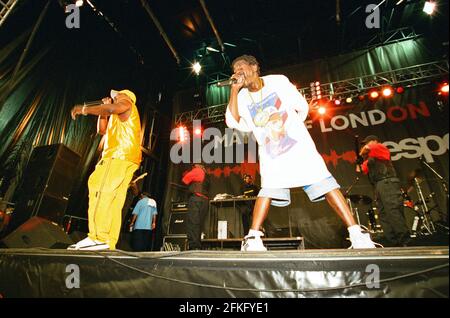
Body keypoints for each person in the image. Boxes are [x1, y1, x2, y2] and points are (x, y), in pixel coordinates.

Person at [225, 55, 378, 251]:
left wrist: (290, 129)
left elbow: (301, 106)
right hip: (272, 153)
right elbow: (232, 120)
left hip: (298, 147)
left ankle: (357, 235)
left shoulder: (278, 81)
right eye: (235, 69)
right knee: (268, 188)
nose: (238, 71)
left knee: (326, 183)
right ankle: (253, 238)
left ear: (254, 67)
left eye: (241, 67)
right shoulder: (242, 97)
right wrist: (234, 89)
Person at [68, 89, 141, 250]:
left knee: (100, 190)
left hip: (117, 156)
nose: (114, 97)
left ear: (126, 96)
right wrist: (104, 111)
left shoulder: (127, 104)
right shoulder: (120, 115)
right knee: (114, 200)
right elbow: (102, 130)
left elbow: (111, 108)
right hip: (126, 158)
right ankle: (108, 242)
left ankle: (97, 237)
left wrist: (85, 109)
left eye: (117, 95)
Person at [357, 135, 410, 246]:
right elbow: (361, 170)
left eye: (369, 142)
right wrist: (359, 161)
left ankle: (404, 240)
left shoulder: (379, 147)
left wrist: (362, 153)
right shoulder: (370, 159)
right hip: (378, 185)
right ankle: (392, 240)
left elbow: (367, 148)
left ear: (375, 141)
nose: (367, 144)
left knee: (393, 210)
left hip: (388, 182)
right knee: (383, 213)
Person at [181, 163, 210, 250]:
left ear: (197, 165)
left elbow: (185, 180)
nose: (192, 167)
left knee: (193, 223)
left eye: (193, 166)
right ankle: (197, 246)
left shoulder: (197, 170)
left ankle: (193, 247)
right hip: (205, 201)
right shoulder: (206, 174)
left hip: (196, 199)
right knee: (199, 224)